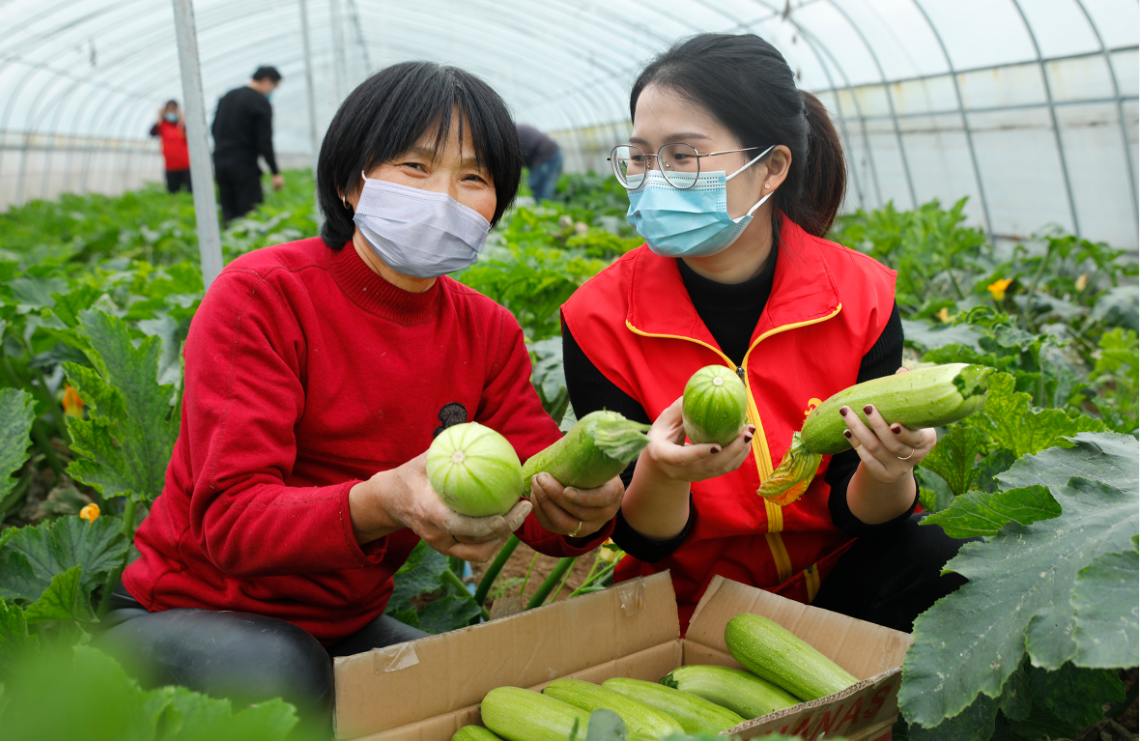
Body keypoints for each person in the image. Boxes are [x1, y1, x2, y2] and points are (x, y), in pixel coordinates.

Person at [97, 62, 624, 733]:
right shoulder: (264, 296)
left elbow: (541, 503)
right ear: (351, 182)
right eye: (414, 165)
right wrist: (380, 500)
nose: (445, 196)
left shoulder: (487, 330)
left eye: (473, 177)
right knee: (282, 674)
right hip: (181, 613)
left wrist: (583, 504)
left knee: (474, 692)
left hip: (339, 621)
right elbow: (231, 522)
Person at [561, 33, 974, 637]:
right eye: (642, 157)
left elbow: (862, 514)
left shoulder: (860, 296)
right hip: (688, 603)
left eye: (683, 156)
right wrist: (664, 472)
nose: (654, 179)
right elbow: (643, 538)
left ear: (771, 169)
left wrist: (889, 472)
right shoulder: (596, 318)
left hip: (840, 582)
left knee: (948, 554)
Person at [211, 65, 284, 225]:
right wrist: (275, 172)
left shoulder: (227, 97)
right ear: (266, 81)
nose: (272, 92)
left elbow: (214, 128)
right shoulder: (260, 102)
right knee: (249, 212)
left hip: (220, 161)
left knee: (228, 209)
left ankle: (231, 244)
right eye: (274, 87)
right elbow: (265, 140)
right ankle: (249, 246)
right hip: (244, 163)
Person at [149, 100, 191, 193]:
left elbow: (192, 136)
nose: (171, 112)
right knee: (173, 192)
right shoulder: (162, 125)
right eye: (169, 109)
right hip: (170, 165)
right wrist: (159, 117)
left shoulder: (182, 126)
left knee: (190, 191)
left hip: (186, 165)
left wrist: (183, 119)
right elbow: (152, 133)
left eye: (173, 109)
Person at [517, 123, 563, 202]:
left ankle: (542, 210)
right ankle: (540, 208)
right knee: (536, 186)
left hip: (548, 157)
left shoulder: (512, 135)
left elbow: (514, 163)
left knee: (541, 189)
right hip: (548, 156)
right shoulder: (514, 131)